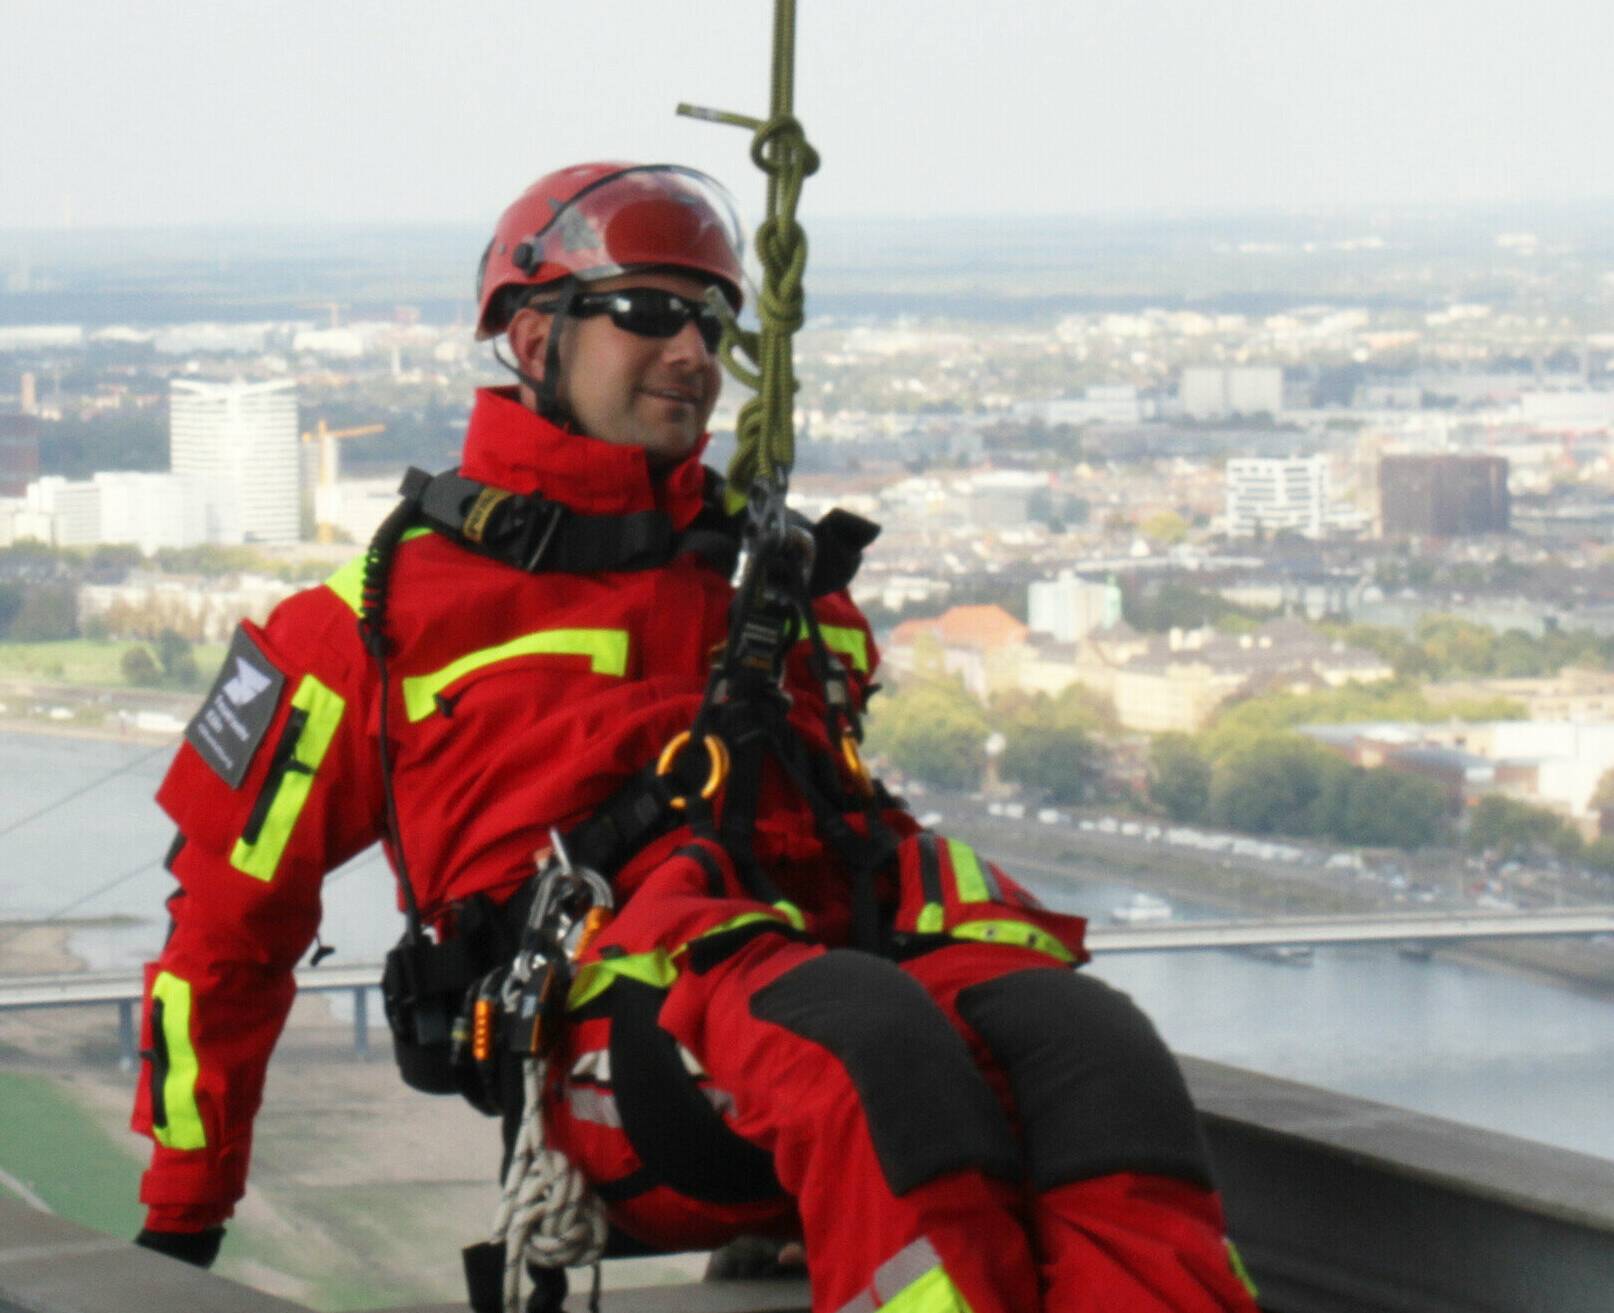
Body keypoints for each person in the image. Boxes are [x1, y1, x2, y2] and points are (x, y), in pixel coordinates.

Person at [131, 160, 1260, 1313]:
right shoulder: (359, 626)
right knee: (869, 1049)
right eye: (648, 311)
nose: (695, 352)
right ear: (532, 338)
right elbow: (225, 929)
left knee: (1093, 1045)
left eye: (711, 320)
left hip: (815, 989)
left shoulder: (766, 585)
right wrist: (184, 1212)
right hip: (613, 1051)